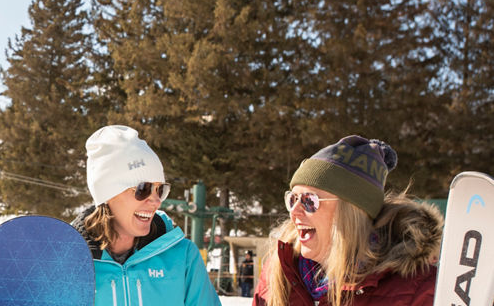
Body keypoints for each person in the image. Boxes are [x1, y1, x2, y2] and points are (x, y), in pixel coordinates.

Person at [253, 135, 443, 306]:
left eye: (309, 201)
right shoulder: (277, 273)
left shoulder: (419, 291)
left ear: (352, 212)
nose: (294, 211)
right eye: (293, 199)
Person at [72, 125, 222, 306]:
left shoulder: (182, 256)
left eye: (160, 189)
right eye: (143, 189)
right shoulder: (67, 262)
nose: (156, 201)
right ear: (108, 194)